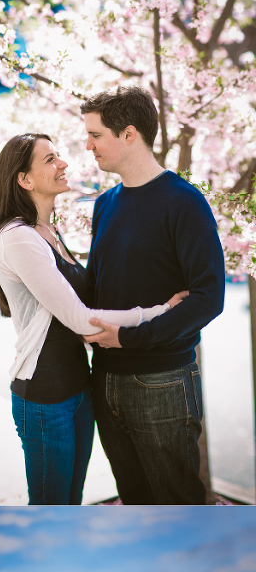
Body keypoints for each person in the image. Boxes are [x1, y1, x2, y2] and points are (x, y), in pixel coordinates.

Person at [0, 133, 185, 504]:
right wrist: (161, 311)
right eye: (50, 159)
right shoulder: (19, 239)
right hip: (46, 399)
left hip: (79, 389)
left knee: (71, 501)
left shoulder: (47, 232)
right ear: (24, 180)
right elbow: (80, 319)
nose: (63, 163)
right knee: (51, 507)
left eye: (58, 155)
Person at [81, 86, 225, 504]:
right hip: (104, 378)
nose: (88, 146)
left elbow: (207, 297)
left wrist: (129, 338)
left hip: (161, 382)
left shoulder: (184, 203)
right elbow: (99, 286)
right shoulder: (105, 203)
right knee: (135, 501)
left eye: (95, 135)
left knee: (178, 504)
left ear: (129, 135)